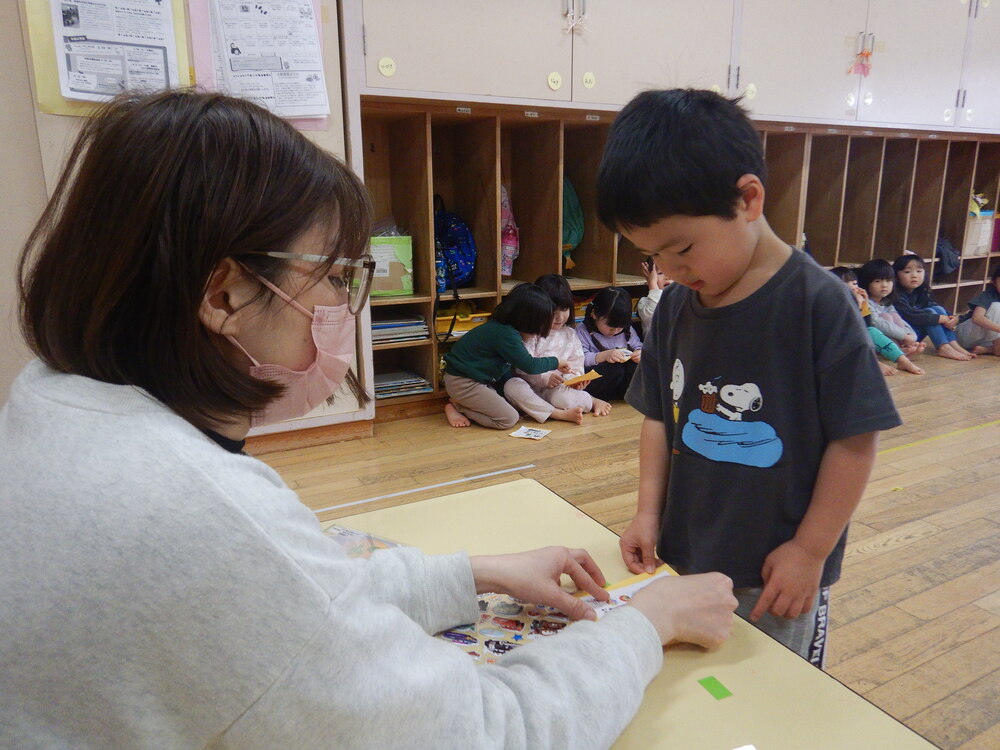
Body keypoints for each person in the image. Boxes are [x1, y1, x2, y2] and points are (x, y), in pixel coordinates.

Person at [1, 90, 739, 749]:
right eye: (334, 277)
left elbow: (290, 602)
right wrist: (646, 623)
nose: (338, 312)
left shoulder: (51, 403)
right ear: (223, 295)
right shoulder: (196, 513)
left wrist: (471, 573)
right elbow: (488, 731)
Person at [596, 88, 901, 667]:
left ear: (749, 199)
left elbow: (856, 440)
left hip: (776, 572)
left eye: (681, 249)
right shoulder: (676, 308)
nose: (669, 271)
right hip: (687, 556)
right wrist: (646, 513)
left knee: (776, 695)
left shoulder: (818, 303)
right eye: (653, 257)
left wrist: (811, 552)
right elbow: (660, 420)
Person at [442, 282, 572, 429]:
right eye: (537, 326)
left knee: (513, 407)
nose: (536, 333)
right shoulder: (507, 335)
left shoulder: (504, 328)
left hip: (475, 380)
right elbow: (530, 365)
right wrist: (557, 362)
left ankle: (461, 403)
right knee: (508, 419)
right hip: (463, 383)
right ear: (527, 321)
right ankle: (458, 406)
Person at [504, 274, 612, 424]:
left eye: (565, 309)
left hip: (557, 391)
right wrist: (545, 378)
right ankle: (557, 414)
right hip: (531, 389)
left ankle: (591, 401)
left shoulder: (570, 334)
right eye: (553, 312)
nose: (560, 317)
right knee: (511, 386)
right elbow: (522, 366)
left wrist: (575, 381)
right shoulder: (530, 333)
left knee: (561, 397)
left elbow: (576, 364)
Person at [830, 266, 923, 376]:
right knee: (858, 334)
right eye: (846, 283)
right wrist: (858, 305)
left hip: (853, 338)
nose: (852, 287)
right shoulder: (832, 302)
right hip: (836, 343)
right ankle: (874, 363)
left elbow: (866, 325)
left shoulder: (859, 300)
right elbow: (847, 327)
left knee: (871, 331)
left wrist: (863, 305)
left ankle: (902, 360)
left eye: (854, 283)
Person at [892, 254, 974, 361]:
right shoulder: (895, 295)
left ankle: (953, 345)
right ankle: (943, 347)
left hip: (916, 332)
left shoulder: (921, 290)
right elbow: (911, 316)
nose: (914, 276)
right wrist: (943, 318)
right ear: (896, 276)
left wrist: (950, 317)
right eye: (907, 272)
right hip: (904, 337)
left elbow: (933, 304)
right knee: (930, 313)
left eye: (919, 271)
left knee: (938, 309)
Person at [576, 286, 643, 401]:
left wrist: (639, 353)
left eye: (620, 327)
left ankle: (628, 395)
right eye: (611, 327)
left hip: (622, 387)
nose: (615, 331)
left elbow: (638, 346)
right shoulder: (583, 331)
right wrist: (605, 356)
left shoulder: (626, 330)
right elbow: (581, 360)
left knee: (635, 367)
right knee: (615, 369)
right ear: (594, 314)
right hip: (598, 382)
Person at [857, 258, 925, 358]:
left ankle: (903, 346)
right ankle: (896, 350)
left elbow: (901, 321)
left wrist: (911, 336)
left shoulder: (886, 302)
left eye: (888, 281)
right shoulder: (866, 302)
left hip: (895, 338)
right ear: (866, 283)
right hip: (871, 340)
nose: (884, 285)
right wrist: (904, 336)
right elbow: (876, 323)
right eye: (877, 281)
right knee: (885, 317)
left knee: (893, 315)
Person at [955, 263, 1000, 356]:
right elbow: (977, 318)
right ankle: (996, 348)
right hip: (965, 335)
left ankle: (989, 349)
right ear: (994, 282)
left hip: (985, 340)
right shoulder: (990, 294)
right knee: (996, 307)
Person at [637, 256, 672, 334]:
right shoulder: (643, 303)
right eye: (660, 273)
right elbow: (654, 314)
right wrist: (652, 283)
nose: (667, 277)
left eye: (671, 272)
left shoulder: (682, 298)